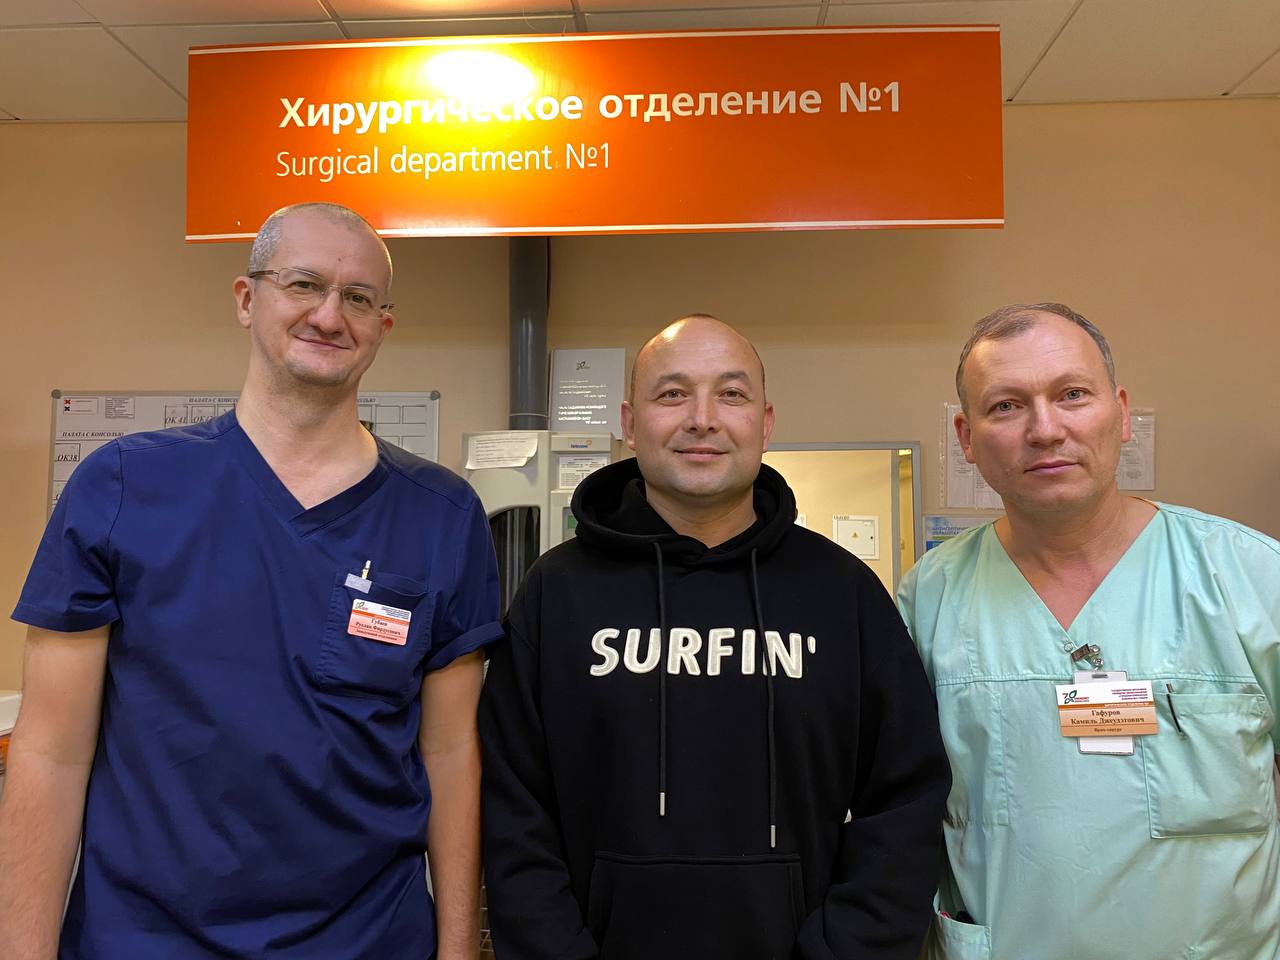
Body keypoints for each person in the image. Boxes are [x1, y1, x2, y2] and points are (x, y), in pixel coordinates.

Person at [0, 202, 501, 959]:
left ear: (383, 326)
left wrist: (458, 949)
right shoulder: (123, 486)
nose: (329, 315)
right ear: (246, 298)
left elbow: (452, 755)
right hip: (143, 941)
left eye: (358, 297)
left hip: (367, 940)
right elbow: (49, 753)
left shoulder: (442, 515)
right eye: (303, 284)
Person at [480, 314, 948, 960]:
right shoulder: (555, 593)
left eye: (731, 394)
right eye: (673, 394)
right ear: (629, 421)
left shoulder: (842, 592)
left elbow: (905, 802)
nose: (702, 419)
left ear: (765, 422)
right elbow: (514, 811)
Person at [897, 302, 1280, 960]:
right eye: (1006, 406)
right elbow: (900, 810)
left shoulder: (1251, 577)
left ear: (1120, 413)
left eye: (1072, 394)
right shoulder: (927, 598)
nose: (1046, 430)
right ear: (967, 437)